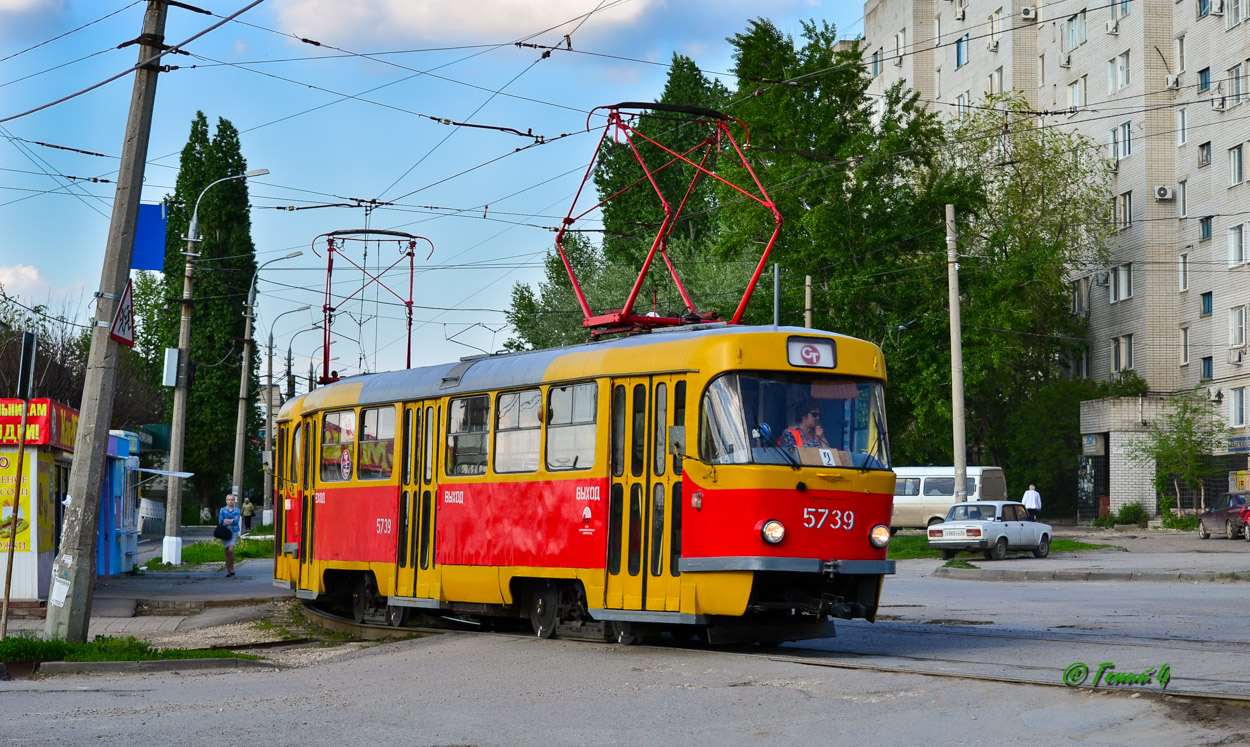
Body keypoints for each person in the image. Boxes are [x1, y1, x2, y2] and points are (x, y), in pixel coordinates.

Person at [218, 494, 242, 577]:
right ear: (226, 501)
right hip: (225, 532)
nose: (230, 501)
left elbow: (236, 521)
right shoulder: (222, 510)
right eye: (229, 500)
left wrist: (227, 520)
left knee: (231, 550)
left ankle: (232, 568)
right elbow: (221, 521)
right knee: (227, 552)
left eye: (232, 500)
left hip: (234, 531)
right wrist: (230, 520)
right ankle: (229, 571)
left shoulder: (237, 510)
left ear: (234, 501)